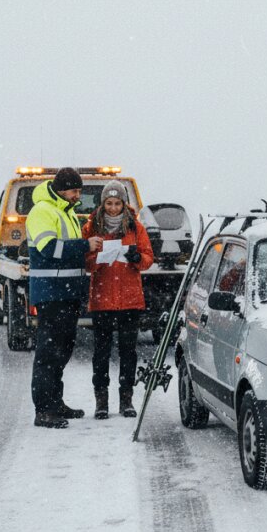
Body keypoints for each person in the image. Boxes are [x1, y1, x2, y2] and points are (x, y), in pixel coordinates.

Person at [26, 167, 103, 429]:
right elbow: (49, 249)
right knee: (49, 354)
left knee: (62, 351)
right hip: (51, 294)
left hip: (67, 293)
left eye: (79, 190)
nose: (77, 195)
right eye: (74, 190)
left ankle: (56, 403)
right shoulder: (42, 212)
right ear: (61, 189)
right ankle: (44, 410)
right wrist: (85, 245)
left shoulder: (66, 213)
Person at [82, 179, 154, 419]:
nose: (113, 208)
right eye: (109, 203)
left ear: (125, 203)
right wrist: (97, 260)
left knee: (128, 351)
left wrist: (135, 257)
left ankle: (126, 399)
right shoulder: (91, 227)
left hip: (129, 299)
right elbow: (85, 262)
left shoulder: (136, 228)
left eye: (117, 203)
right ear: (102, 203)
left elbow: (147, 258)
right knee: (101, 352)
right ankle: (101, 401)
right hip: (102, 299)